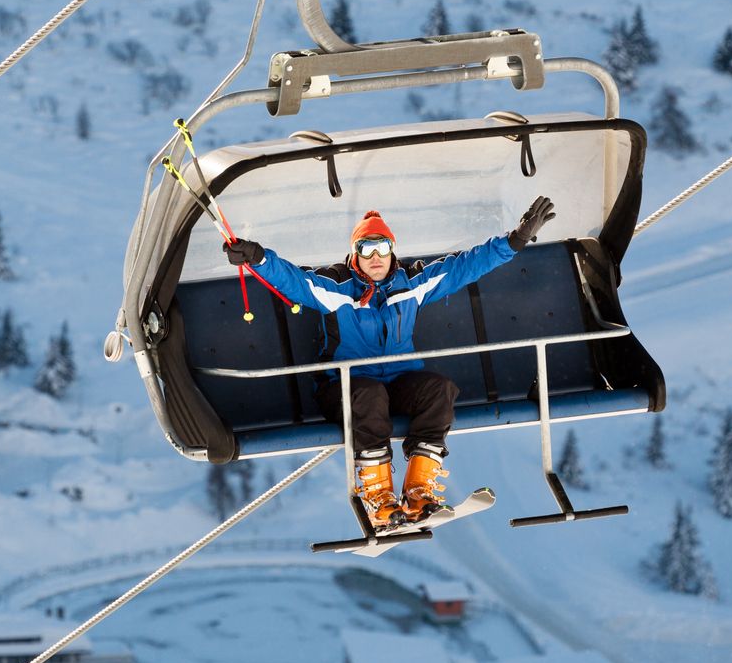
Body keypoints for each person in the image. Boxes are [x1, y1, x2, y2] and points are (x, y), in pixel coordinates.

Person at [222, 196, 556, 526]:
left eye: (383, 247)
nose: (376, 257)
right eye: (367, 249)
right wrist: (257, 257)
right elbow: (293, 281)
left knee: (439, 390)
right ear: (355, 253)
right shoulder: (336, 289)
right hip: (344, 389)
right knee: (370, 396)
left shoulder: (411, 285)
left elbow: (464, 267)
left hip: (396, 381)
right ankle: (377, 494)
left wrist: (515, 241)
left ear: (393, 249)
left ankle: (419, 490)